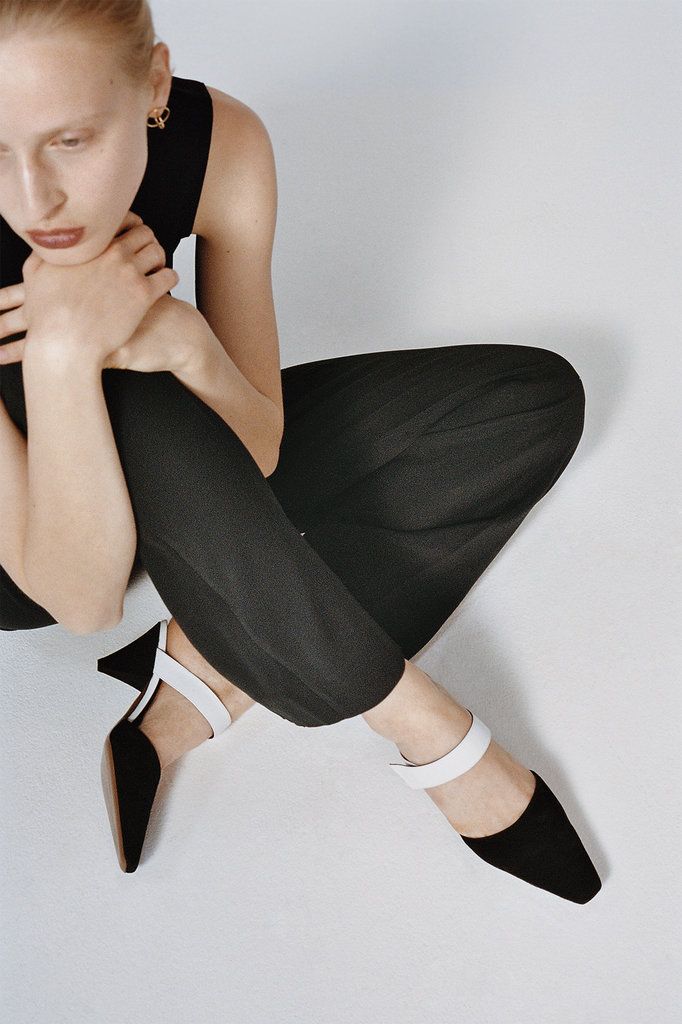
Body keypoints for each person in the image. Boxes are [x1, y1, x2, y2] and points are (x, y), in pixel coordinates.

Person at [0, 0, 601, 901]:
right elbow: (80, 599)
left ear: (154, 85)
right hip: (35, 552)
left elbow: (263, 446)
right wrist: (58, 354)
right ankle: (426, 726)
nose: (31, 200)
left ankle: (191, 685)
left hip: (184, 482)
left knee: (530, 402)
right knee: (140, 400)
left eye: (70, 141)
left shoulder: (223, 143)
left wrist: (186, 343)